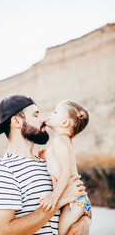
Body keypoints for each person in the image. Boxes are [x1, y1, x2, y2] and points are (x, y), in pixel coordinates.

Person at [0, 95, 92, 235]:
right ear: (16, 121)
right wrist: (58, 202)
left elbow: (78, 200)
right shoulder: (4, 170)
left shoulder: (49, 163)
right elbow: (6, 231)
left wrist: (85, 222)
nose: (43, 119)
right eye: (36, 115)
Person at [39, 100, 91, 235]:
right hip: (78, 201)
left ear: (64, 123)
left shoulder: (59, 141)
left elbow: (66, 172)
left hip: (73, 202)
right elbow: (60, 165)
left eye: (55, 112)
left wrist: (53, 197)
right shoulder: (65, 142)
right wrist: (47, 156)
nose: (51, 114)